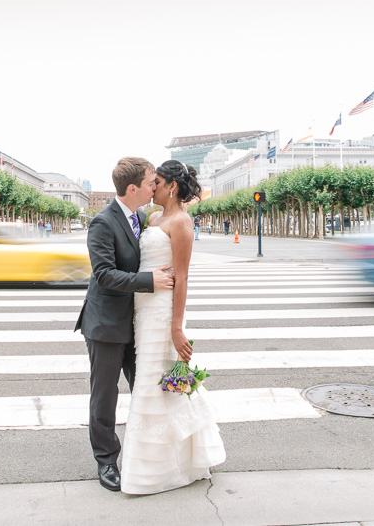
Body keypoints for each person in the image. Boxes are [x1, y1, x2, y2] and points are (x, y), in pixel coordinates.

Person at [121, 160, 226, 495]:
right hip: (144, 309)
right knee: (153, 379)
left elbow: (182, 278)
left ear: (173, 187)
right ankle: (166, 456)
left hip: (164, 312)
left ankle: (162, 466)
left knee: (158, 379)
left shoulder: (181, 222)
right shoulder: (152, 218)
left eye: (159, 182)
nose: (153, 187)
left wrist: (177, 327)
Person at [75, 157, 175, 492]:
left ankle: (153, 450)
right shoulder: (103, 222)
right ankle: (106, 461)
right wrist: (149, 280)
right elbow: (103, 275)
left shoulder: (141, 217)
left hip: (137, 322)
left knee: (147, 387)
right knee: (104, 396)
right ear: (132, 188)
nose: (154, 186)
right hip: (105, 324)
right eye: (150, 182)